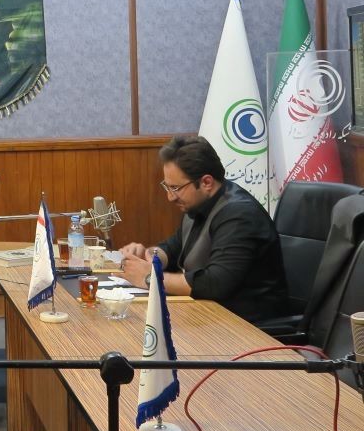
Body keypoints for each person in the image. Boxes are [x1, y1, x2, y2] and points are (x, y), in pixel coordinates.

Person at [118, 135, 287, 323]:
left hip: (248, 326)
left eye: (176, 188)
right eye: (167, 187)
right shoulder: (197, 204)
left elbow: (215, 283)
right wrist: (148, 255)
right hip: (210, 315)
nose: (170, 197)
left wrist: (151, 277)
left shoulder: (240, 215)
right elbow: (172, 249)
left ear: (206, 182)